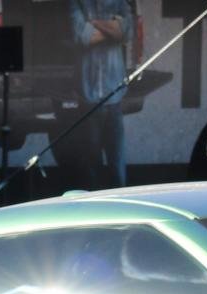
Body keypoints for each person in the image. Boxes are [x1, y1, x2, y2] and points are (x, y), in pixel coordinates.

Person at [70, 0, 134, 189]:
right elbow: (83, 37)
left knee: (117, 161)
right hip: (88, 96)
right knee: (91, 161)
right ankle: (93, 206)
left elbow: (126, 33)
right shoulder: (78, 3)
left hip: (114, 95)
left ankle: (120, 205)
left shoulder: (120, 2)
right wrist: (112, 27)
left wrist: (94, 22)